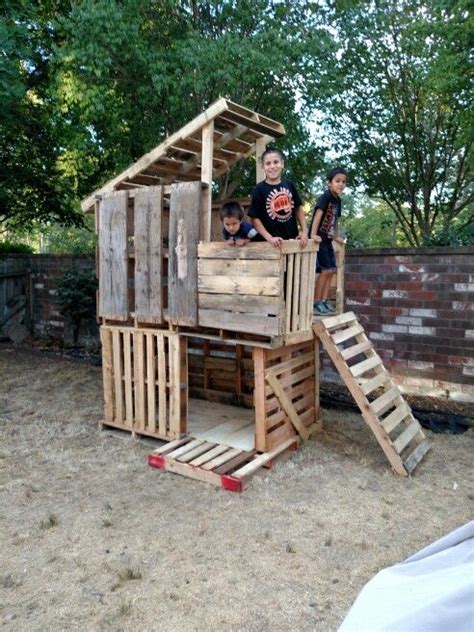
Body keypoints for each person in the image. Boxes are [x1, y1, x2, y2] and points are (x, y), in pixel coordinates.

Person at [248, 147, 308, 248]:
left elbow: (298, 208)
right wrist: (270, 238)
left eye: (276, 162)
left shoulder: (290, 185)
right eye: (268, 163)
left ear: (282, 163)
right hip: (269, 245)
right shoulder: (258, 189)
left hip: (292, 242)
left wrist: (304, 232)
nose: (272, 166)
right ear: (263, 166)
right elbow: (255, 218)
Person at [309, 167, 347, 315]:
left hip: (328, 240)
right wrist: (313, 233)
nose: (341, 184)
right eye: (337, 181)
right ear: (329, 183)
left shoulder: (338, 201)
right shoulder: (325, 197)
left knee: (331, 270)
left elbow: (335, 220)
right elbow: (318, 215)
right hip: (320, 240)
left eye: (343, 182)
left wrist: (336, 235)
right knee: (325, 271)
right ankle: (316, 302)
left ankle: (324, 301)